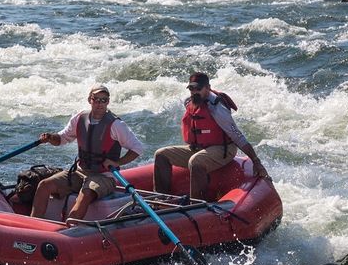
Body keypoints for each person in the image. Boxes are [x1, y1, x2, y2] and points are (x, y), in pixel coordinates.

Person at [30, 85, 145, 221]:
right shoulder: (79, 118)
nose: (100, 104)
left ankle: (69, 230)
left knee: (85, 194)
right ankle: (34, 224)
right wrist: (50, 137)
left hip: (104, 176)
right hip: (79, 172)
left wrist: (117, 162)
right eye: (96, 99)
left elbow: (138, 148)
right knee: (44, 186)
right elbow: (62, 138)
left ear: (108, 102)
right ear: (89, 100)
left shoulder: (116, 125)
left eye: (104, 100)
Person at [152, 72, 270, 202]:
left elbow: (237, 136)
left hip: (223, 150)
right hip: (200, 148)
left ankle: (197, 205)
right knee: (161, 154)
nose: (194, 92)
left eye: (198, 89)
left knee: (196, 161)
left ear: (208, 88)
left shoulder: (217, 109)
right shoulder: (189, 102)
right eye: (191, 88)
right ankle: (160, 199)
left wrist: (256, 161)